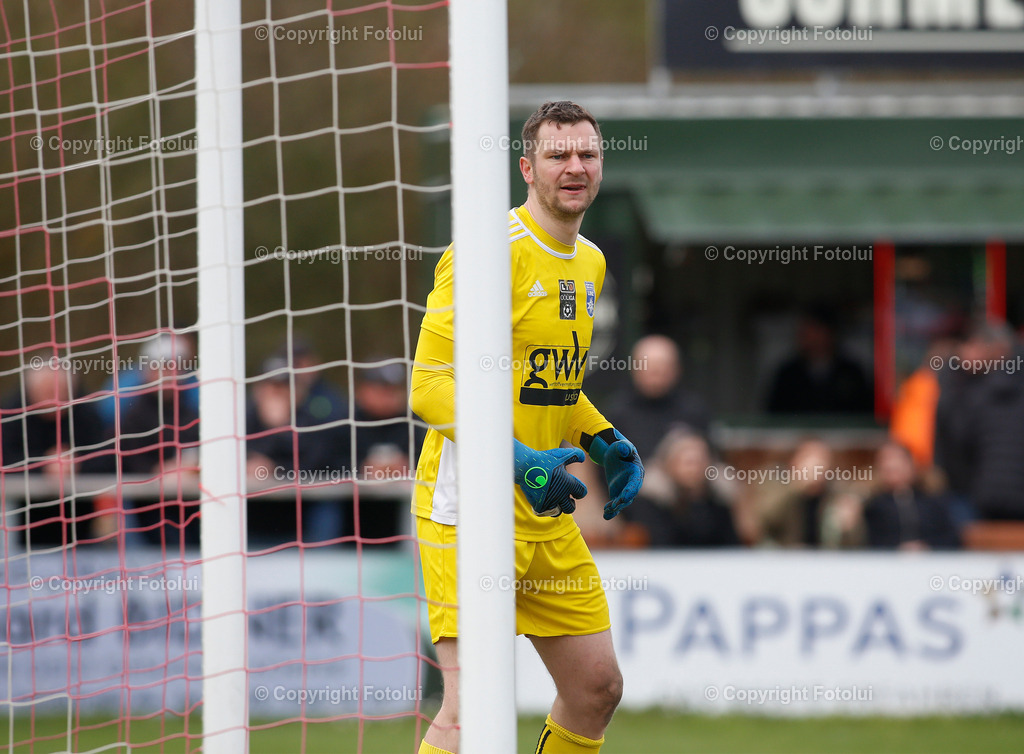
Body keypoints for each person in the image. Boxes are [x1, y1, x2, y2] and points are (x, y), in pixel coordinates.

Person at [410, 101, 645, 754]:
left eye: (588, 154)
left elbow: (552, 384)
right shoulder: (486, 255)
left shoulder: (591, 263)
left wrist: (603, 440)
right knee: (470, 707)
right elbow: (427, 387)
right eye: (558, 155)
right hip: (469, 509)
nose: (576, 167)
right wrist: (512, 457)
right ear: (527, 167)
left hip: (542, 507)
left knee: (596, 687)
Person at [624, 429, 739, 548]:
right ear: (669, 464)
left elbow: (731, 545)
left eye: (699, 462)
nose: (694, 470)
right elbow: (660, 543)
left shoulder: (719, 500)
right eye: (688, 463)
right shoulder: (652, 502)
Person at [604, 335, 711, 461]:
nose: (655, 373)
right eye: (648, 366)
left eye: (662, 366)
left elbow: (707, 460)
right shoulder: (616, 411)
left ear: (677, 369)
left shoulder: (694, 410)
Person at [766, 305, 872, 415]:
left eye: (812, 329)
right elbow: (773, 416)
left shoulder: (851, 372)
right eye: (803, 330)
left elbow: (865, 414)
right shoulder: (788, 374)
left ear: (829, 332)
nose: (804, 335)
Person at [863, 441, 960, 550]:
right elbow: (868, 539)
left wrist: (927, 546)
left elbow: (950, 536)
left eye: (898, 461)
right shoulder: (872, 504)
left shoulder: (932, 500)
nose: (891, 465)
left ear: (911, 465)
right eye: (886, 461)